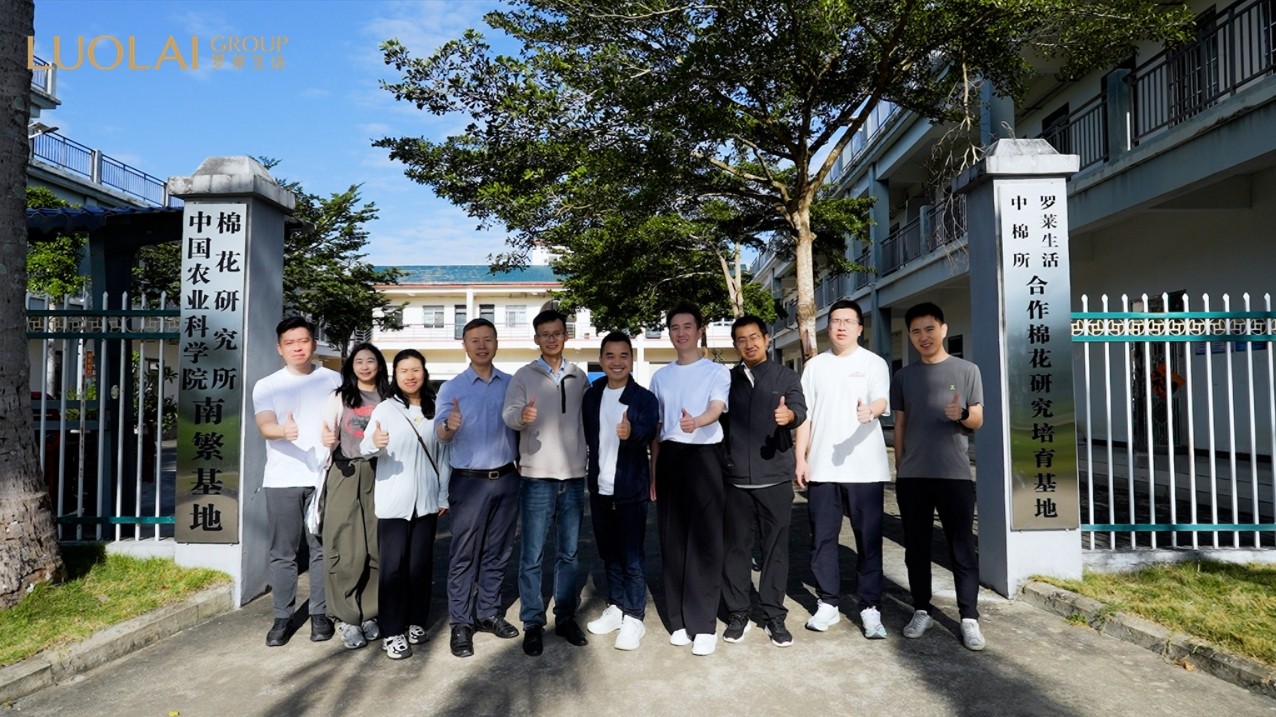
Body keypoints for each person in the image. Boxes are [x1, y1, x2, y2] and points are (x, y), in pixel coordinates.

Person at [891, 301, 987, 651]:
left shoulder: (967, 370)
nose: (923, 336)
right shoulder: (903, 376)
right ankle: (921, 610)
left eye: (929, 329)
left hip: (954, 475)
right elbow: (900, 424)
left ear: (943, 330)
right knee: (916, 548)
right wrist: (901, 468)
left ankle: (969, 618)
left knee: (961, 548)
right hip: (913, 476)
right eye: (916, 331)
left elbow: (978, 419)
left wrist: (960, 414)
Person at [794, 299, 892, 640]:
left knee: (868, 541)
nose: (841, 326)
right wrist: (801, 457)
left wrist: (871, 411)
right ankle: (828, 603)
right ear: (828, 326)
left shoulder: (873, 363)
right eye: (836, 320)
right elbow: (805, 417)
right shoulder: (814, 367)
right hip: (823, 468)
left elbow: (881, 399)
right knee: (822, 539)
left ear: (860, 328)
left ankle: (870, 607)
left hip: (866, 469)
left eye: (848, 321)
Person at [502, 309, 591, 657]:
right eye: (545, 334)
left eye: (557, 333)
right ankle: (532, 622)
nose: (551, 339)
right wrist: (521, 417)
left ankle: (565, 617)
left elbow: (589, 420)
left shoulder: (579, 376)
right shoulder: (523, 376)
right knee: (532, 555)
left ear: (565, 336)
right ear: (536, 338)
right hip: (537, 476)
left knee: (569, 554)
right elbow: (509, 414)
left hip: (573, 476)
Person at [252, 316, 341, 647]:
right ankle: (282, 616)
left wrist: (336, 435)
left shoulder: (333, 379)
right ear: (280, 349)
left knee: (321, 548)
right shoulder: (268, 385)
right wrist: (282, 430)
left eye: (303, 341)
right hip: (282, 478)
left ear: (314, 344)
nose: (298, 348)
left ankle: (320, 613)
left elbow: (345, 419)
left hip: (323, 475)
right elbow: (264, 425)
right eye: (290, 343)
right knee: (283, 552)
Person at [649, 301, 731, 656]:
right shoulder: (660, 377)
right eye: (674, 327)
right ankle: (679, 620)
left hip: (705, 457)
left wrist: (696, 421)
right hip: (670, 458)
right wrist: (654, 472)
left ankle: (704, 625)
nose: (680, 333)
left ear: (700, 330)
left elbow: (717, 408)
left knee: (705, 540)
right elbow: (656, 430)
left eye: (687, 326)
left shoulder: (716, 371)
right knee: (672, 539)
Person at [435, 318, 521, 658]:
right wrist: (449, 424)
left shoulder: (511, 384)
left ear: (496, 343)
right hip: (469, 482)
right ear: (465, 345)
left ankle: (488, 612)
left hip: (507, 478)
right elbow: (440, 434)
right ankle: (461, 622)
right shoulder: (451, 388)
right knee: (464, 554)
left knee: (498, 551)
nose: (482, 345)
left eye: (488, 339)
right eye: (475, 340)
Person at [720, 315, 806, 648]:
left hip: (775, 479)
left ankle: (774, 617)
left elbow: (799, 409)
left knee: (776, 552)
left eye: (754, 337)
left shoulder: (786, 377)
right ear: (735, 345)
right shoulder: (727, 381)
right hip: (736, 482)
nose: (749, 344)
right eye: (741, 339)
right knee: (736, 551)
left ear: (767, 339)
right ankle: (738, 613)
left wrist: (790, 416)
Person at [360, 349, 450, 660]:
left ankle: (415, 622)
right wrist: (374, 443)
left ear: (424, 372)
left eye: (415, 370)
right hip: (394, 504)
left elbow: (443, 456)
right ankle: (392, 631)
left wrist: (442, 495)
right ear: (395, 376)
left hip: (426, 502)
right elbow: (365, 447)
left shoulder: (435, 409)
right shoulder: (385, 409)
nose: (410, 376)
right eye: (403, 371)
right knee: (393, 571)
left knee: (420, 568)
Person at [581, 332, 660, 650]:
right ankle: (616, 607)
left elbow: (649, 432)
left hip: (630, 489)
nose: (617, 362)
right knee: (609, 554)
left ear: (631, 359)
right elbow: (588, 435)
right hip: (600, 488)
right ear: (601, 360)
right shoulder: (592, 395)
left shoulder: (644, 398)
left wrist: (632, 432)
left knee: (632, 558)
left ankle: (634, 617)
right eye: (610, 355)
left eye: (623, 355)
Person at [319, 342, 390, 649]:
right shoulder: (340, 397)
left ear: (379, 365)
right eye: (358, 361)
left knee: (375, 545)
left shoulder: (389, 397)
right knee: (345, 546)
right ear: (351, 366)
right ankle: (347, 617)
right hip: (345, 472)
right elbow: (326, 433)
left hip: (380, 473)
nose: (364, 366)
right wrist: (326, 439)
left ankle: (370, 612)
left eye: (370, 360)